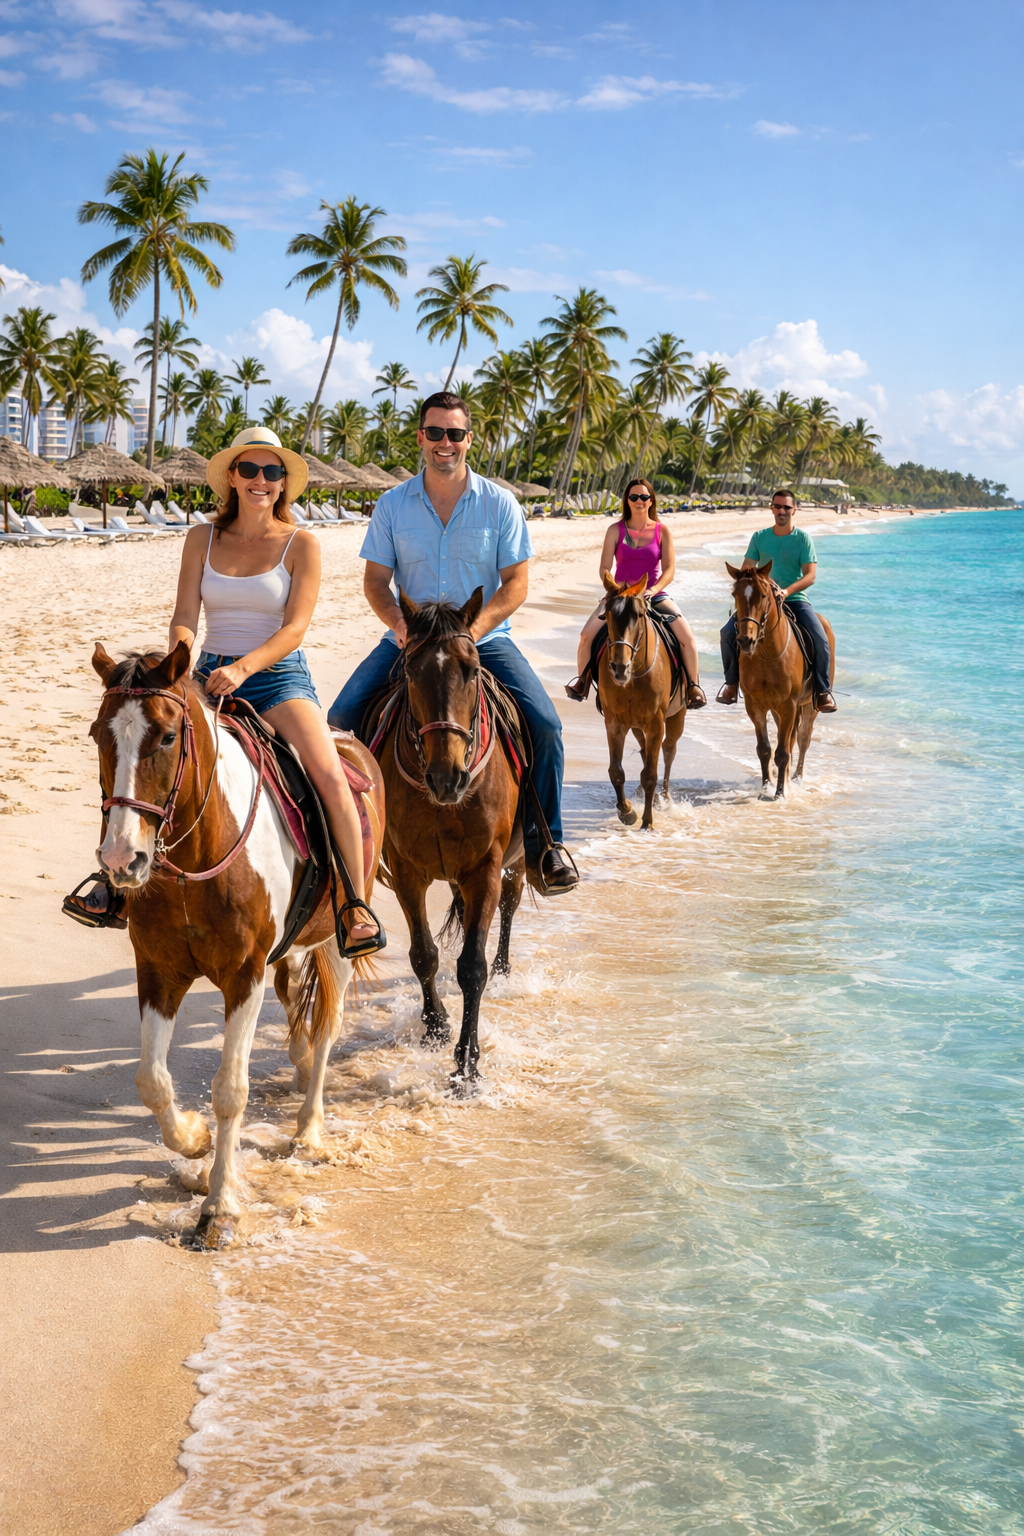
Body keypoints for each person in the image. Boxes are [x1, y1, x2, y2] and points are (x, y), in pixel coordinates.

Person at [66, 426, 383, 951]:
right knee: (139, 757)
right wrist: (179, 660)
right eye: (250, 470)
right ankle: (114, 883)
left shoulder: (301, 543)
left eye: (272, 472)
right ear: (232, 477)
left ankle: (354, 903)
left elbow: (295, 629)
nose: (260, 481)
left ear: (283, 484)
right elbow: (185, 614)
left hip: (279, 677)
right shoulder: (201, 537)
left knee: (328, 771)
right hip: (205, 672)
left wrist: (244, 669)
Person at [328, 390, 578, 894]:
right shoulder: (392, 505)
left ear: (469, 440)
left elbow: (517, 583)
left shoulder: (500, 503)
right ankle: (346, 847)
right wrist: (400, 626)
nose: (446, 443)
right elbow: (377, 582)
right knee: (340, 722)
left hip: (482, 640)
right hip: (409, 643)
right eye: (436, 433)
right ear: (421, 437)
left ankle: (544, 843)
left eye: (456, 434)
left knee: (547, 725)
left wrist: (474, 632)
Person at [565, 478, 707, 706]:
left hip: (653, 595)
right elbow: (604, 568)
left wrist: (654, 589)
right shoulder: (615, 530)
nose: (639, 501)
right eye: (634, 497)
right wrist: (611, 588)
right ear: (627, 501)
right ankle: (582, 682)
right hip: (619, 597)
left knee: (687, 638)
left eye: (644, 497)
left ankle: (693, 687)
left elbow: (670, 570)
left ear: (651, 501)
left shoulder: (663, 531)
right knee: (585, 637)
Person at [716, 487, 837, 712]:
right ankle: (731, 685)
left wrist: (786, 591)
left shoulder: (803, 539)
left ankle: (822, 691)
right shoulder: (759, 537)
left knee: (820, 638)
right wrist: (761, 586)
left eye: (787, 507)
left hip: (795, 599)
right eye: (777, 506)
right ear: (772, 508)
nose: (782, 510)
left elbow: (810, 575)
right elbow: (747, 571)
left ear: (794, 510)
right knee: (727, 633)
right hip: (762, 600)